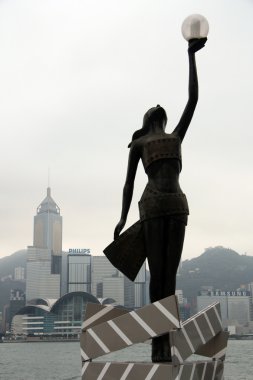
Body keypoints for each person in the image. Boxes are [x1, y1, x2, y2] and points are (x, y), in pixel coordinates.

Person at [113, 37, 207, 362]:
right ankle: (159, 343)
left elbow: (193, 99)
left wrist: (191, 56)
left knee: (170, 277)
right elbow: (128, 185)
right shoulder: (139, 144)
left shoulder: (175, 135)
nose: (158, 109)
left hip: (177, 206)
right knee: (157, 276)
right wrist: (123, 218)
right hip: (152, 206)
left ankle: (167, 337)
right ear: (149, 118)